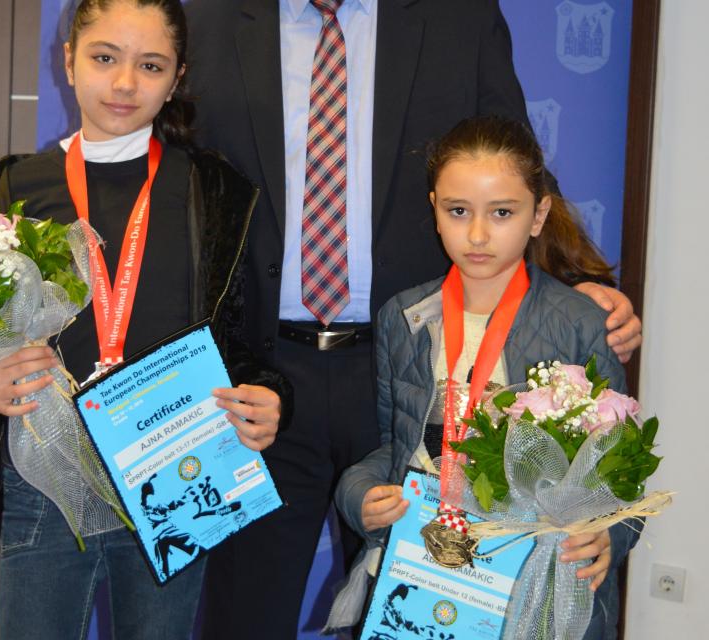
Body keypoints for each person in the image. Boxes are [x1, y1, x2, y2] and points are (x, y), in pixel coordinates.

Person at [183, 1, 642, 637]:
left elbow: (513, 162)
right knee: (242, 616)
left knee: (407, 614)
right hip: (258, 383)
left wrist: (578, 280)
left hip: (408, 371)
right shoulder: (205, 19)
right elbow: (176, 181)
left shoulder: (461, 17)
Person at [0, 1, 290, 638]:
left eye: (150, 66)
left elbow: (238, 343)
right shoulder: (2, 190)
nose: (125, 83)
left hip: (177, 471)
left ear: (176, 78)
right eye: (104, 58)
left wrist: (264, 396)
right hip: (46, 478)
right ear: (69, 60)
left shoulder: (214, 191)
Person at [335, 116, 640, 638]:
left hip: (530, 577)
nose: (477, 235)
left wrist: (611, 536)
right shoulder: (403, 318)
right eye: (458, 211)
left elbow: (621, 467)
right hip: (428, 568)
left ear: (538, 214)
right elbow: (393, 446)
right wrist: (357, 493)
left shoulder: (579, 322)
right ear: (435, 209)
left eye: (502, 212)